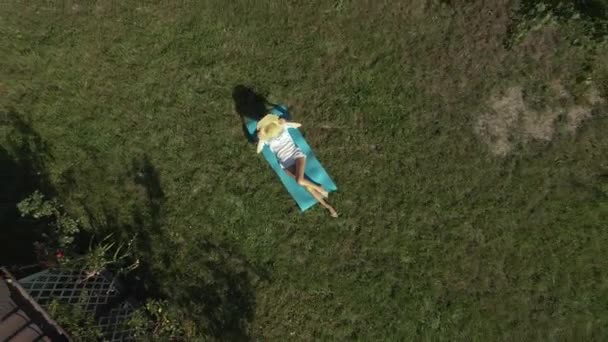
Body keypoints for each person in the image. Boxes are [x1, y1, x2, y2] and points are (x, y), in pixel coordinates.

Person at [256, 114, 338, 218]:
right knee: (308, 187)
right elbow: (258, 150)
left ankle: (320, 188)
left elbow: (298, 124)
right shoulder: (267, 139)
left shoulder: (283, 127)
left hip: (296, 155)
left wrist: (284, 122)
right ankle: (329, 207)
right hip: (286, 164)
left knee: (300, 181)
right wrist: (260, 137)